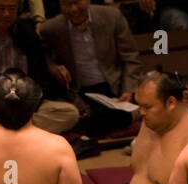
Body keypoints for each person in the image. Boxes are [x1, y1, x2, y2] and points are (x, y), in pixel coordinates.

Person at [0, 0, 79, 135]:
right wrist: (0, 98)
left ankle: (8, 135)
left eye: (11, 8)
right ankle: (29, 133)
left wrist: (28, 98)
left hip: (27, 102)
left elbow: (42, 77)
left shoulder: (28, 33)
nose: (6, 14)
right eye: (1, 8)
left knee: (70, 113)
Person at [39, 0, 142, 142]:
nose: (73, 9)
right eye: (67, 5)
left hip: (114, 85)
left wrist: (128, 90)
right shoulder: (51, 28)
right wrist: (53, 67)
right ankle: (128, 117)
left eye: (77, 2)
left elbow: (131, 57)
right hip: (80, 91)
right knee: (86, 118)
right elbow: (42, 55)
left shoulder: (112, 16)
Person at [124, 71, 188, 184]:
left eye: (147, 107)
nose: (141, 112)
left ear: (171, 103)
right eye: (139, 105)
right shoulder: (150, 123)